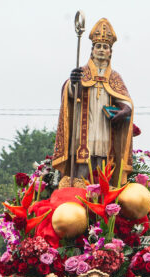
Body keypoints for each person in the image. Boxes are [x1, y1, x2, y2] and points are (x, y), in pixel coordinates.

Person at [53, 18, 135, 185]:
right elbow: (69, 93)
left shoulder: (114, 77)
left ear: (110, 52)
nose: (102, 50)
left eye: (105, 47)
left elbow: (126, 101)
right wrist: (73, 82)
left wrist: (125, 111)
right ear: (92, 50)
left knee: (104, 177)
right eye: (98, 46)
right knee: (80, 178)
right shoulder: (81, 73)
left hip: (106, 136)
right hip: (83, 137)